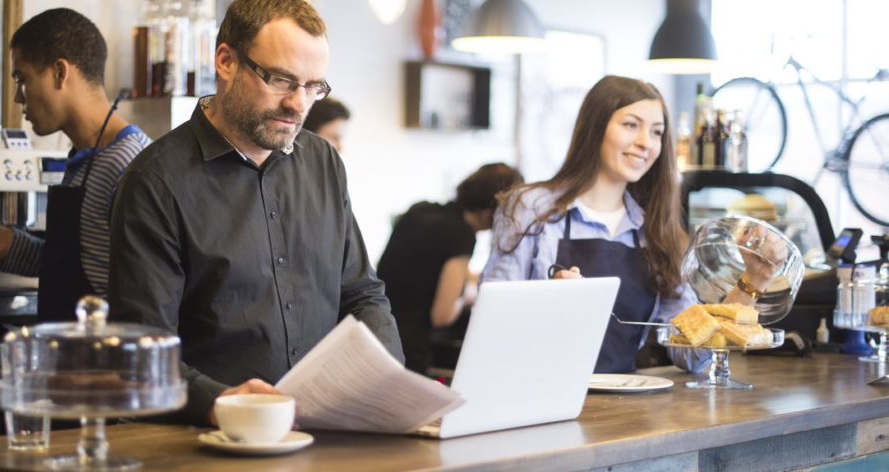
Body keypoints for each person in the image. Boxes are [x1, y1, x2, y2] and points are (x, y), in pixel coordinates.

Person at [108, 0, 403, 425]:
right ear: (226, 61)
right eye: (281, 80)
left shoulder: (323, 162)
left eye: (313, 86)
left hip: (326, 433)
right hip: (206, 443)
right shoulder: (156, 182)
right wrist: (221, 401)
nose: (298, 104)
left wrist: (391, 379)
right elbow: (140, 349)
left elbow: (361, 294)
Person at [483, 75, 721, 374]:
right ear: (595, 128)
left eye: (657, 132)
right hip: (534, 399)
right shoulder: (530, 208)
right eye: (631, 125)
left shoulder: (655, 231)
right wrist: (546, 303)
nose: (645, 142)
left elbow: (696, 355)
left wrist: (746, 290)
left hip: (621, 409)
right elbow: (490, 323)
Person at [0, 8, 151, 321]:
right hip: (70, 356)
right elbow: (81, 268)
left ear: (59, 73)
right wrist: (11, 244)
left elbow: (143, 301)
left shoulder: (129, 166)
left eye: (22, 79)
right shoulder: (84, 158)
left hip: (103, 363)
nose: (18, 97)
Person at [377, 163, 524, 376]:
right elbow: (443, 315)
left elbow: (424, 269)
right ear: (491, 213)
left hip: (375, 333)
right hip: (408, 351)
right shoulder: (462, 234)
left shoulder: (420, 210)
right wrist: (467, 295)